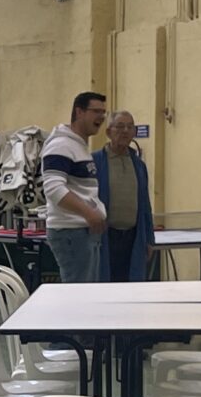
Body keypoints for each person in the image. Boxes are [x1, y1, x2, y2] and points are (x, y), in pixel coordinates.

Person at [40, 91, 109, 282]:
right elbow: (54, 189)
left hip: (84, 232)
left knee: (87, 292)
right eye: (96, 111)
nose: (101, 117)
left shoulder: (79, 146)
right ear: (79, 112)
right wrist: (89, 213)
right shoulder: (61, 145)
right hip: (71, 232)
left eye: (103, 112)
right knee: (78, 293)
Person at [94, 109, 156, 281]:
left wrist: (149, 239)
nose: (125, 131)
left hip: (133, 238)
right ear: (108, 132)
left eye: (130, 127)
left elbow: (145, 204)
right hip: (105, 237)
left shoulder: (138, 165)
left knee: (131, 286)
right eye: (120, 127)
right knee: (105, 284)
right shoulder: (96, 162)